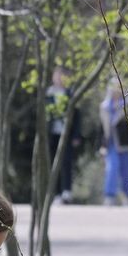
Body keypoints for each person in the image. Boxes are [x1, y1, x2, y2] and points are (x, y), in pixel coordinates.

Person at [46, 66, 83, 204]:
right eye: (57, 75)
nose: (59, 78)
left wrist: (76, 135)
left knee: (66, 162)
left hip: (66, 134)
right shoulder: (48, 94)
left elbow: (77, 117)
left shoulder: (70, 93)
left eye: (62, 75)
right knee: (53, 164)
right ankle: (55, 193)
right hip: (52, 135)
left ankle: (67, 191)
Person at [99, 79, 128, 205]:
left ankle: (127, 197)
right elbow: (101, 129)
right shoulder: (105, 107)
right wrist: (101, 146)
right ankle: (110, 196)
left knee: (126, 171)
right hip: (111, 145)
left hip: (126, 144)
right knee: (112, 168)